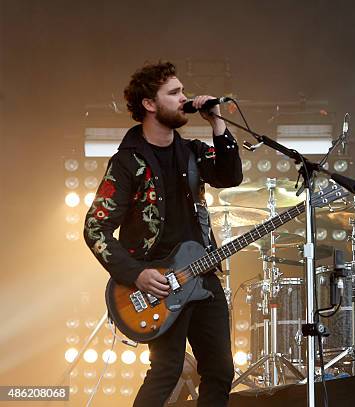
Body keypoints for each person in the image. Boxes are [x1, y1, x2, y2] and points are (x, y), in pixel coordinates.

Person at [83, 61, 242, 406]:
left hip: (202, 274)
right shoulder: (127, 162)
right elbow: (95, 227)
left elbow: (230, 177)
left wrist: (217, 122)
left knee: (220, 371)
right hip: (159, 282)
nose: (184, 98)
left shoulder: (192, 152)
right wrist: (135, 273)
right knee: (166, 371)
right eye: (174, 93)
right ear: (149, 104)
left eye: (183, 91)